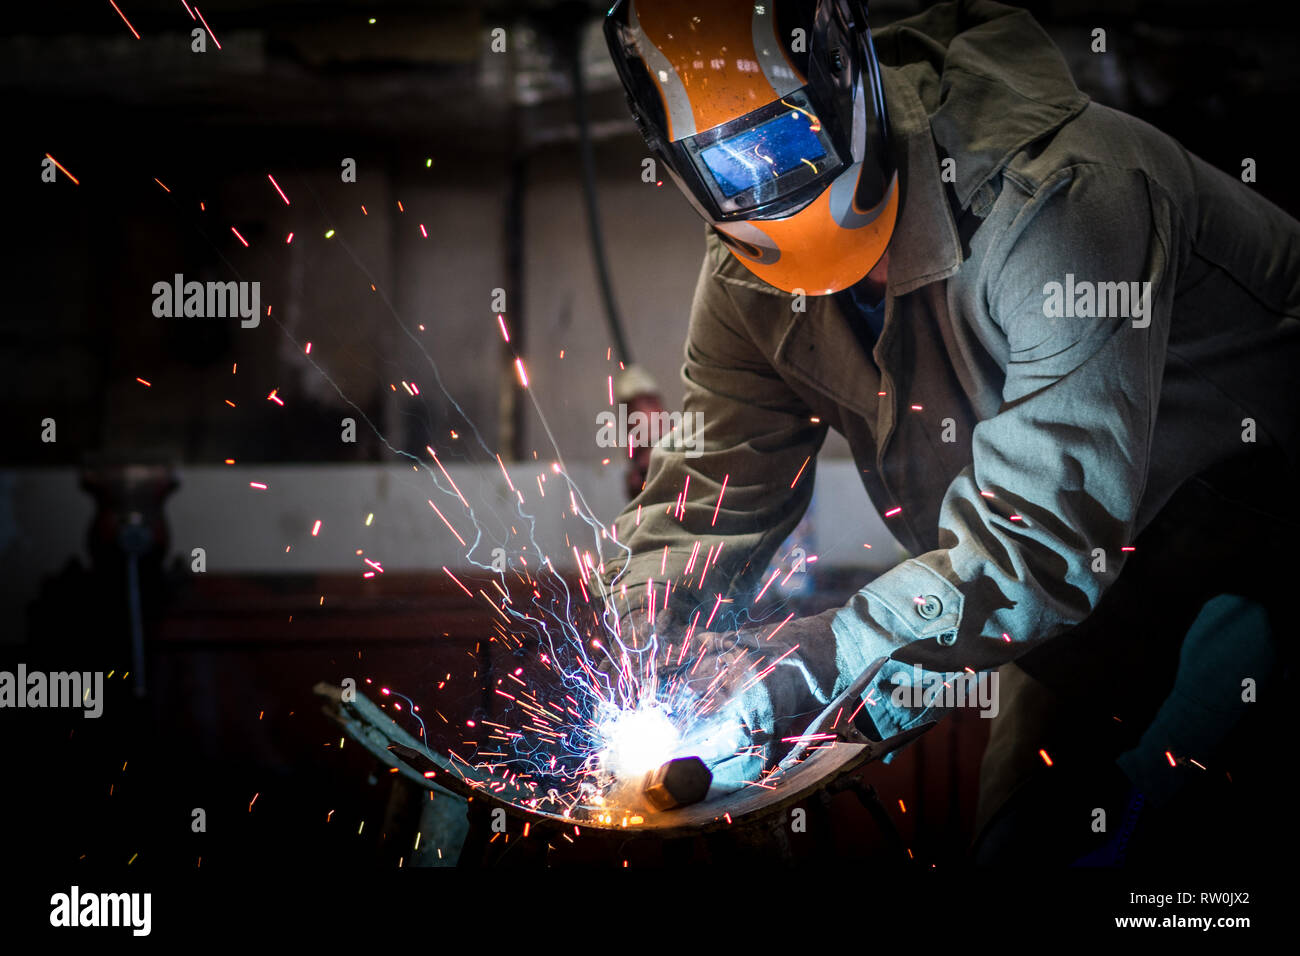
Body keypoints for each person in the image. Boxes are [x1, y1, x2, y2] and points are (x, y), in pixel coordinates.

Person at [599, 0, 1298, 863]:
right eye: (724, 169)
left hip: (1263, 554)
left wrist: (797, 677)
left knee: (1174, 852)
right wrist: (651, 655)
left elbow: (1035, 538)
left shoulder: (1065, 198)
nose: (760, 180)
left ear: (840, 84)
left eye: (780, 141)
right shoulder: (746, 282)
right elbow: (705, 501)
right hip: (1089, 608)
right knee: (1019, 848)